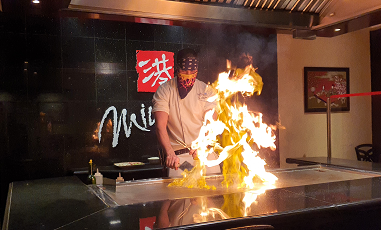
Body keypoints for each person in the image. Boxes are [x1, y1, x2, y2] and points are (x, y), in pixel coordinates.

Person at [152, 48, 220, 177]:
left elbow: (211, 123)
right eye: (184, 70)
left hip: (204, 153)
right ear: (177, 68)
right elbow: (160, 126)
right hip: (179, 158)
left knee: (214, 192)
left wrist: (202, 144)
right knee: (183, 193)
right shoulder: (165, 90)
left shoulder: (207, 90)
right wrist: (170, 153)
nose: (189, 74)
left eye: (193, 71)